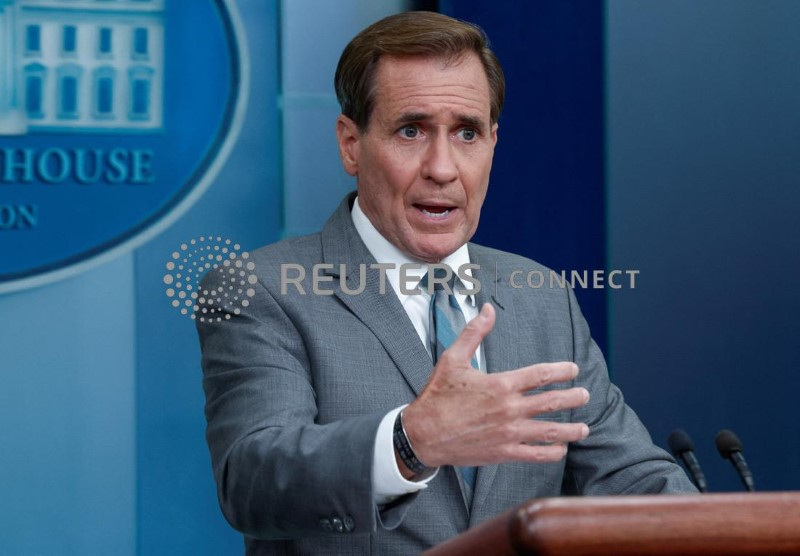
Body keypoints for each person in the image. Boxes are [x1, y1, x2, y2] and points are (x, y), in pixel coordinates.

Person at [197, 11, 696, 555]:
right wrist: (412, 441)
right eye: (411, 130)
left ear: (492, 144)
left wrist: (726, 529)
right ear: (350, 144)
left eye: (466, 133)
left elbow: (629, 476)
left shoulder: (542, 296)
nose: (442, 167)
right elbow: (253, 480)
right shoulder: (260, 289)